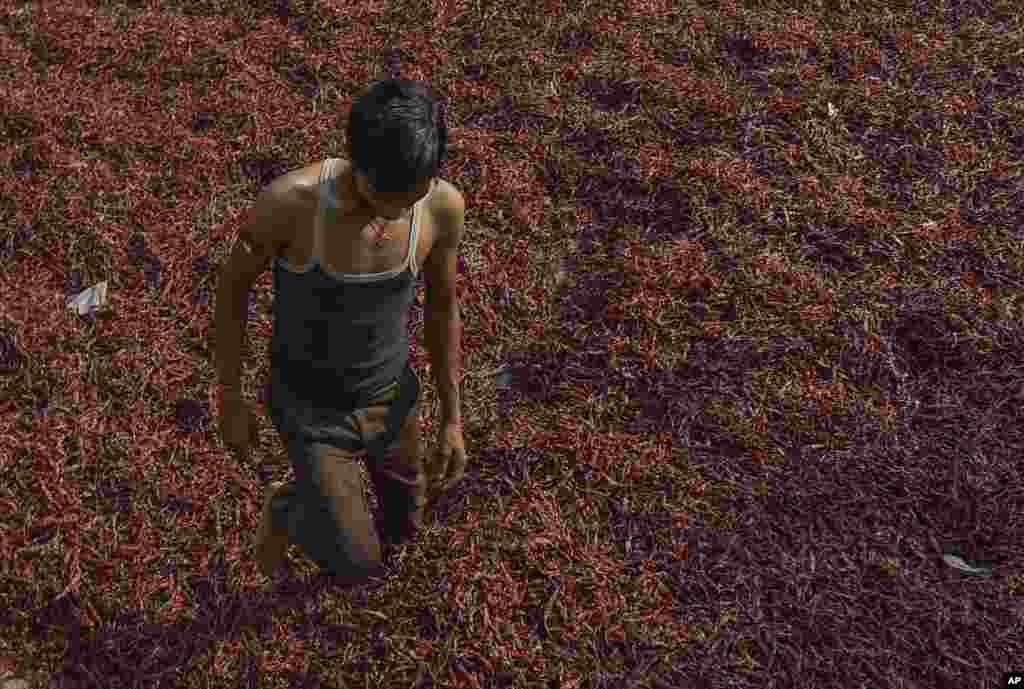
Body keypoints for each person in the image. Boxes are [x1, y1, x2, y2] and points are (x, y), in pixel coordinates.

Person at [212, 78, 468, 584]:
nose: (396, 211)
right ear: (358, 162)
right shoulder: (290, 204)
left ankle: (324, 504)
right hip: (312, 408)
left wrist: (452, 417)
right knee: (357, 564)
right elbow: (232, 290)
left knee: (404, 531)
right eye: (384, 195)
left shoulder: (441, 207)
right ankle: (289, 511)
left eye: (411, 196)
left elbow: (444, 306)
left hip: (391, 397)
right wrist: (230, 398)